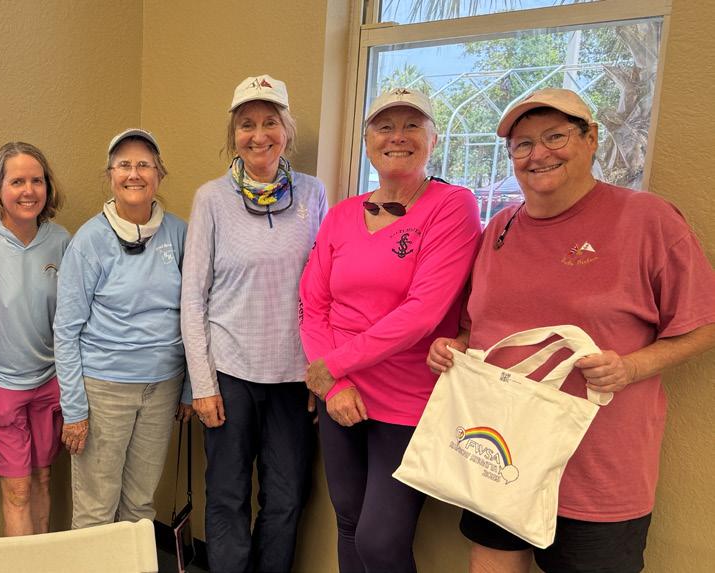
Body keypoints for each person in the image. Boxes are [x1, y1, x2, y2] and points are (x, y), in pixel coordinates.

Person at [426, 88, 715, 573]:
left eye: (555, 137)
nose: (538, 154)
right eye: (522, 144)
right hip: (499, 455)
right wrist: (453, 348)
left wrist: (631, 367)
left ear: (591, 138)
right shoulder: (500, 227)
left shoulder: (648, 220)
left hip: (597, 469)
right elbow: (476, 325)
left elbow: (703, 324)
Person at [298, 87, 481, 572]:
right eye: (384, 126)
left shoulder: (452, 205)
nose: (397, 136)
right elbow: (313, 305)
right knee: (348, 521)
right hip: (341, 394)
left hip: (407, 399)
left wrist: (330, 367)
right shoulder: (341, 214)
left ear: (433, 140)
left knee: (380, 540)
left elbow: (424, 311)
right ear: (367, 142)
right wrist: (335, 384)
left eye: (412, 125)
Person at [180, 74, 328, 572]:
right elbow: (192, 297)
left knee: (287, 498)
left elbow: (324, 292)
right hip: (230, 374)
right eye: (246, 124)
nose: (258, 135)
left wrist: (321, 370)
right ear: (234, 134)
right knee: (226, 495)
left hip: (293, 377)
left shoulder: (313, 194)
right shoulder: (211, 198)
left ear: (287, 131)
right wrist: (203, 385)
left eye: (270, 123)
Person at [54, 128, 192, 529]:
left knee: (140, 507)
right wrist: (75, 410)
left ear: (159, 175)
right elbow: (66, 330)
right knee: (96, 510)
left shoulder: (179, 234)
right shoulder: (90, 241)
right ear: (110, 175)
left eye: (144, 165)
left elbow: (194, 314)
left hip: (162, 388)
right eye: (124, 165)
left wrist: (189, 387)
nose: (134, 173)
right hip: (104, 390)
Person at [0, 142, 69, 536]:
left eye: (37, 181)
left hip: (49, 384)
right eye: (17, 182)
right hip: (1, 387)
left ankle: (40, 560)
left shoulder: (61, 241)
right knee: (18, 491)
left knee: (43, 480)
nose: (29, 191)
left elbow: (71, 318)